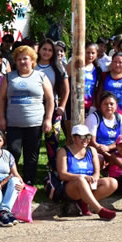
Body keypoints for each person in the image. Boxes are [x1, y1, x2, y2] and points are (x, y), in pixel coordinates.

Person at [0, 45, 54, 184]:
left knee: (31, 155)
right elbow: (1, 98)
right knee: (14, 152)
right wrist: (1, 118)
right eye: (19, 59)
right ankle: (12, 180)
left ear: (32, 60)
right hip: (13, 123)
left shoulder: (40, 76)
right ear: (15, 61)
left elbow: (50, 99)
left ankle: (29, 181)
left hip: (34, 123)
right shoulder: (9, 77)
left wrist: (48, 119)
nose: (23, 62)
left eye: (25, 59)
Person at [56, 125, 117, 220]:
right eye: (82, 137)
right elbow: (62, 175)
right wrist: (83, 177)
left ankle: (85, 203)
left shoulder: (92, 150)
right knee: (80, 180)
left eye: (88, 137)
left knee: (112, 182)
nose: (86, 140)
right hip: (71, 187)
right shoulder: (63, 151)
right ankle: (100, 210)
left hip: (89, 184)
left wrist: (94, 179)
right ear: (73, 137)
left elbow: (97, 172)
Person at [37, 39, 70, 168]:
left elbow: (66, 90)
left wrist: (62, 106)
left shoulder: (58, 67)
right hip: (35, 107)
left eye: (50, 50)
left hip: (54, 108)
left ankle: (53, 167)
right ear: (39, 50)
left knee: (52, 140)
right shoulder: (32, 65)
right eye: (44, 49)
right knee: (34, 140)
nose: (46, 52)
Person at [86, 92, 122, 163]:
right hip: (97, 149)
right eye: (106, 104)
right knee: (100, 158)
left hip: (114, 149)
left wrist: (108, 148)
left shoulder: (120, 118)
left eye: (111, 104)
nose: (109, 106)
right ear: (100, 106)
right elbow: (91, 142)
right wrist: (109, 155)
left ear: (116, 106)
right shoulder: (93, 118)